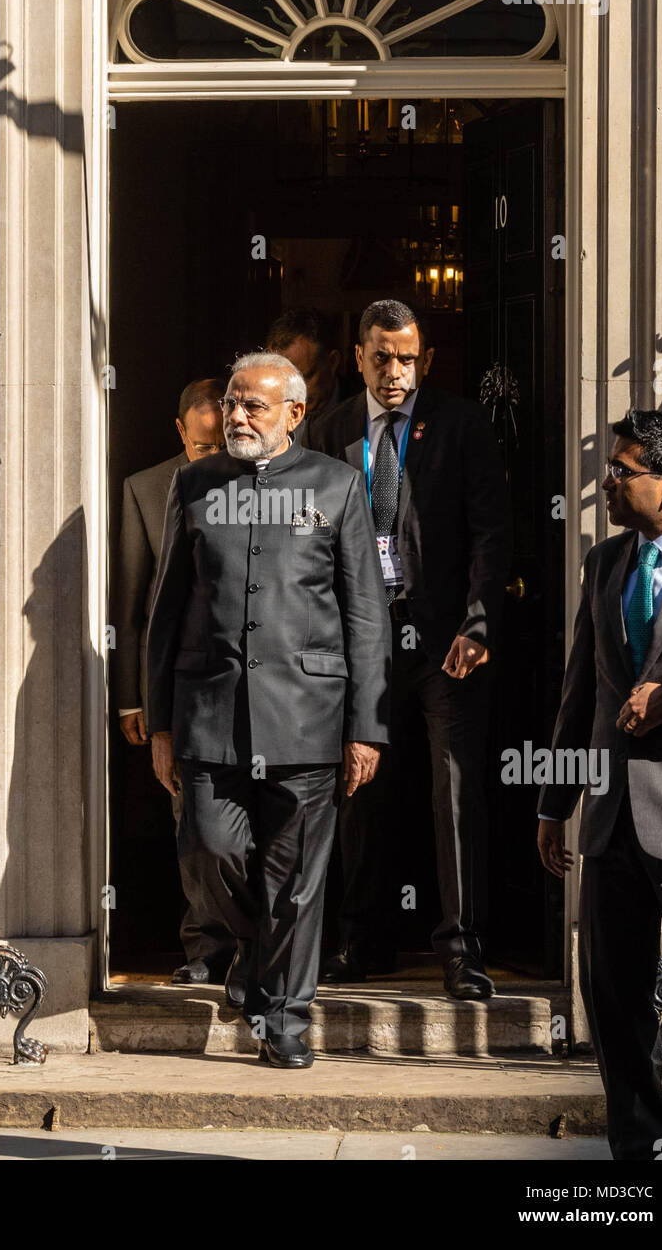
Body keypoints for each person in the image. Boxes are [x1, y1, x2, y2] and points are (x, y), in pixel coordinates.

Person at [146, 353, 390, 1068]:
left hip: (309, 718)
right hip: (206, 714)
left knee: (295, 881)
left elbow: (366, 616)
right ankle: (255, 958)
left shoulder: (338, 485)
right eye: (231, 402)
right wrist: (160, 721)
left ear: (293, 413)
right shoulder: (193, 483)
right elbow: (165, 611)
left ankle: (284, 1014)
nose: (236, 415)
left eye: (253, 405)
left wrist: (366, 726)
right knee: (208, 850)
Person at [308, 299, 510, 998]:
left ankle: (460, 949)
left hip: (444, 640)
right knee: (359, 792)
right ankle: (359, 941)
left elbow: (490, 532)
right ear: (357, 357)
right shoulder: (329, 430)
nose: (394, 372)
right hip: (356, 641)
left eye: (406, 359)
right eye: (380, 358)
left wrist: (479, 622)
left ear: (422, 360)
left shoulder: (458, 423)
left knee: (453, 791)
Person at [538, 408, 662, 1161]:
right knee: (613, 999)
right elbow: (581, 694)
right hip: (609, 821)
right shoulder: (603, 563)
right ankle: (638, 1153)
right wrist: (553, 800)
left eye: (619, 471)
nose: (603, 483)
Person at [116, 376, 232, 985]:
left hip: (248, 685)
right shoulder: (145, 489)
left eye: (223, 447)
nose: (213, 458)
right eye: (201, 446)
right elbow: (134, 603)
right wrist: (133, 699)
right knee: (192, 819)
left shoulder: (257, 485)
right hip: (181, 689)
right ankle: (205, 948)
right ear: (181, 432)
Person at [266, 308, 359, 419]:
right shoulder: (266, 412)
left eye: (305, 376)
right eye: (283, 380)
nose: (293, 393)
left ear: (333, 362)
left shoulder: (364, 411)